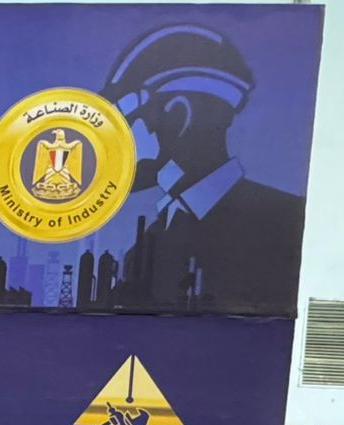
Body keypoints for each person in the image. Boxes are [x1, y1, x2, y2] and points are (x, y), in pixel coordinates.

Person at [100, 25, 305, 312]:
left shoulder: (284, 224)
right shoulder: (141, 252)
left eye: (122, 124)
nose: (113, 147)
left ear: (177, 116)